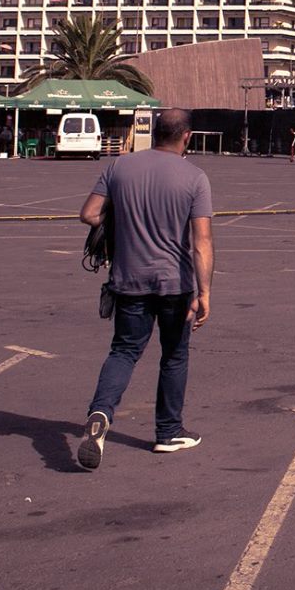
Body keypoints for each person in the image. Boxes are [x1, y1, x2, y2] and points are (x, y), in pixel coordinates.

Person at [76, 107, 213, 468]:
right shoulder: (195, 177)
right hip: (174, 284)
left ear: (154, 132)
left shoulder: (119, 166)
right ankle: (168, 432)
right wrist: (204, 293)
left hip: (129, 279)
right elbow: (201, 242)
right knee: (174, 355)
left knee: (123, 351)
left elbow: (88, 214)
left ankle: (100, 412)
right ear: (187, 137)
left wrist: (120, 218)